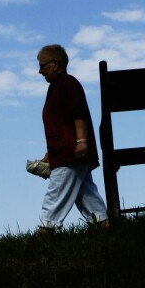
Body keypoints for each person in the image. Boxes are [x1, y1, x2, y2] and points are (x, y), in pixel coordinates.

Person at [36, 44, 108, 231]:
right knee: (86, 194)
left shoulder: (68, 83)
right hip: (65, 151)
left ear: (55, 63)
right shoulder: (55, 88)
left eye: (43, 65)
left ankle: (46, 232)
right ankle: (103, 225)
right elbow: (59, 125)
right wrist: (49, 154)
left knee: (55, 195)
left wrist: (81, 142)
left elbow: (78, 114)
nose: (40, 71)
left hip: (70, 154)